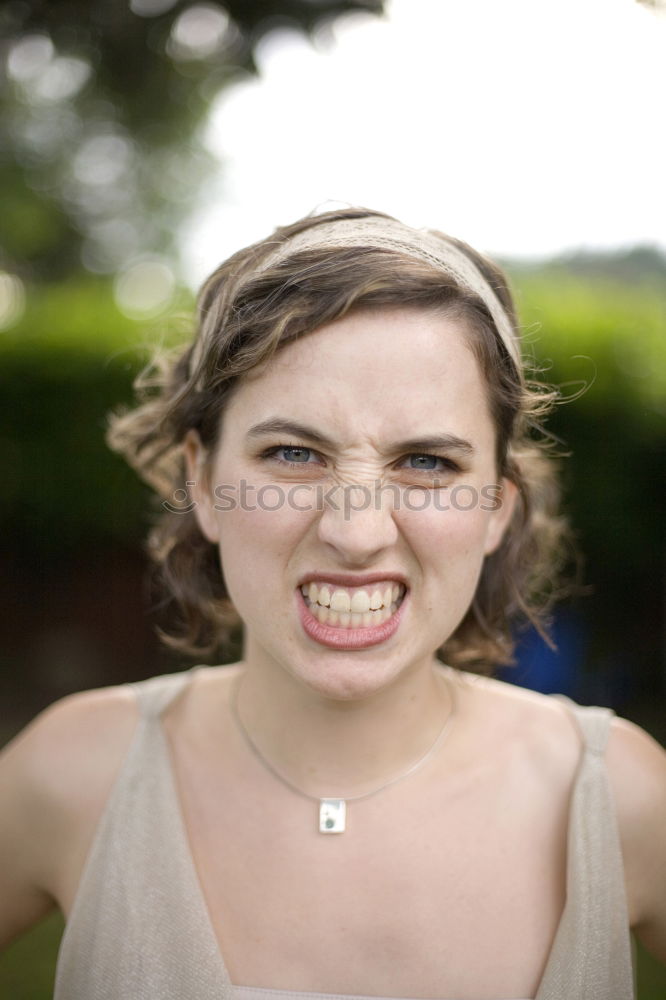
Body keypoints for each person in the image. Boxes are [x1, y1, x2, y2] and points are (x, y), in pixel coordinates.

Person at [1, 208, 665, 1000]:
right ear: (204, 482)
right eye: (293, 454)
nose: (355, 533)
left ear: (496, 507)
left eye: (425, 461)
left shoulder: (617, 798)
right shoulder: (72, 775)